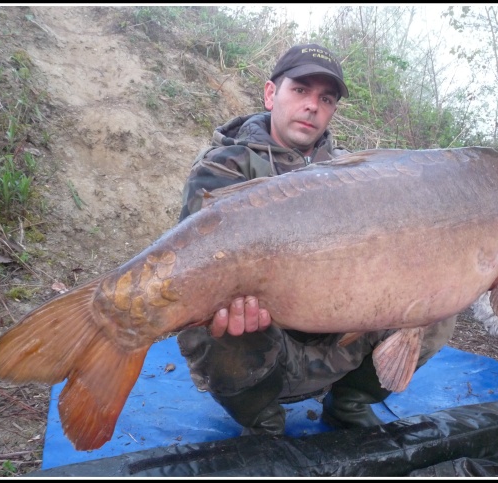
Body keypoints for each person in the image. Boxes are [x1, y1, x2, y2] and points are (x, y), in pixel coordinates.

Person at [176, 43, 457, 436]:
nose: (312, 105)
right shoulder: (224, 166)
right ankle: (260, 415)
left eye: (325, 98)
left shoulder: (356, 174)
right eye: (301, 90)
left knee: (440, 302)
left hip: (339, 338)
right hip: (263, 343)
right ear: (271, 93)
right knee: (219, 317)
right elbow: (192, 269)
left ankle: (349, 402)